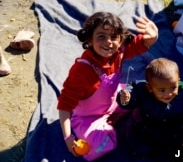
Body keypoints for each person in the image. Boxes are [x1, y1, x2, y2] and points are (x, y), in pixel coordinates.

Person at [57, 11, 158, 161]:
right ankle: (110, 123)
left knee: (142, 95)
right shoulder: (82, 70)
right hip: (88, 116)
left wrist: (153, 37)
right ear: (90, 40)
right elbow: (64, 106)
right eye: (101, 36)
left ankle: (112, 118)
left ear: (121, 40)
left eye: (113, 37)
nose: (108, 42)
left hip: (114, 100)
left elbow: (140, 44)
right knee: (95, 148)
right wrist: (67, 137)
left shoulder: (119, 53)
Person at [117, 57, 183, 161]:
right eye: (162, 90)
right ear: (150, 88)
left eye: (173, 87)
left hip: (171, 134)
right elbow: (131, 92)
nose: (169, 94)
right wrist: (125, 99)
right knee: (139, 152)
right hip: (144, 132)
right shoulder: (142, 92)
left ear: (178, 82)